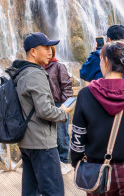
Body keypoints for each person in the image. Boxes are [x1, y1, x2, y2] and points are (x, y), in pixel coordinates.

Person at [70, 42, 124, 195]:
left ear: (106, 61)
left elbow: (78, 137)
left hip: (96, 170)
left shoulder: (85, 94)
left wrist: (77, 162)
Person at [6, 32, 68, 195]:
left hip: (27, 141)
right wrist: (63, 113)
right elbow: (45, 110)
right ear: (33, 51)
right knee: (53, 191)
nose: (50, 51)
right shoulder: (36, 74)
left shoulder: (21, 73)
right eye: (46, 47)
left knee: (31, 191)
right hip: (42, 143)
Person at [43, 43, 73, 173]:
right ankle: (53, 163)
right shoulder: (38, 68)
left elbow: (67, 87)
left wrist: (64, 105)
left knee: (61, 135)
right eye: (47, 49)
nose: (49, 52)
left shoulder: (58, 66)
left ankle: (64, 161)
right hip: (44, 105)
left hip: (58, 104)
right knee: (47, 135)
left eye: (51, 49)